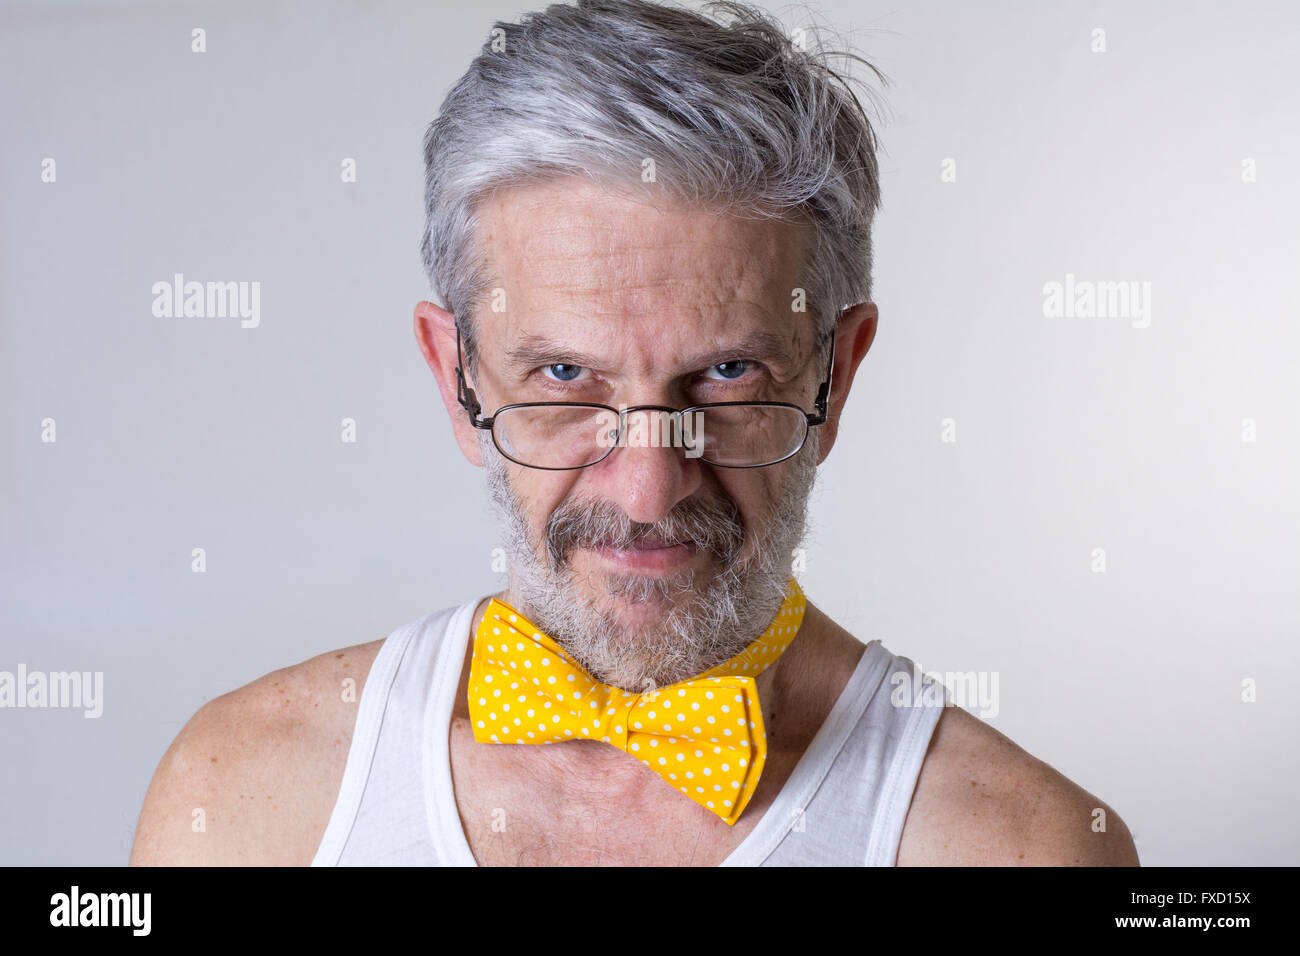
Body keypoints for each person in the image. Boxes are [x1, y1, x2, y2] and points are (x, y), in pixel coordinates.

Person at [130, 0, 1138, 866]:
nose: (649, 491)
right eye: (565, 375)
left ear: (835, 378)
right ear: (458, 377)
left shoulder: (1023, 846)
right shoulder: (247, 799)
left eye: (729, 372)